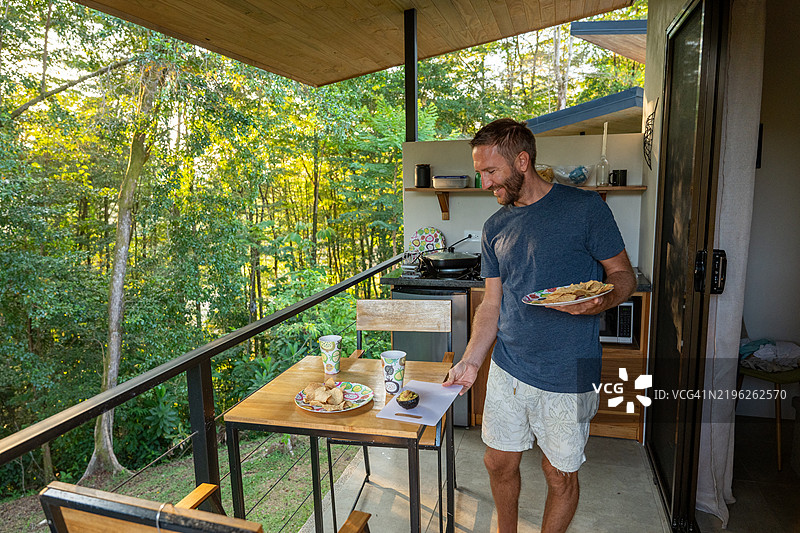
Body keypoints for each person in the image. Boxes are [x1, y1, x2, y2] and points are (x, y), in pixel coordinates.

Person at [443, 118, 636, 533]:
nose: (484, 182)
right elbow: (492, 304)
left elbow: (624, 275)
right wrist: (472, 361)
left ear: (523, 162)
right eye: (480, 172)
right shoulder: (495, 227)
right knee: (497, 462)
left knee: (559, 474)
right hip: (510, 366)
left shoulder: (586, 209)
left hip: (570, 370)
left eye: (491, 171)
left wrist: (603, 298)